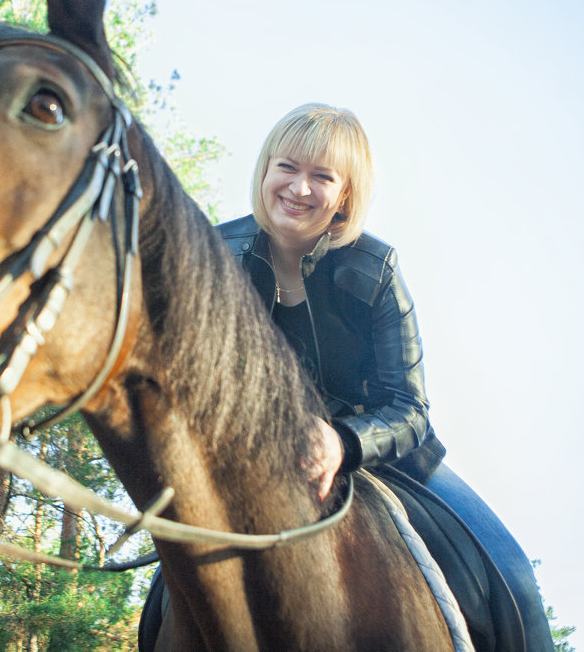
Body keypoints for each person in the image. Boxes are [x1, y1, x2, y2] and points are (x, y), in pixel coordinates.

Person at [138, 103, 552, 652]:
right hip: (249, 459)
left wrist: (342, 440)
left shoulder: (377, 269)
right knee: (164, 601)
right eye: (287, 166)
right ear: (265, 170)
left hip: (386, 457)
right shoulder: (212, 256)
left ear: (345, 195)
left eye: (322, 176)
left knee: (514, 578)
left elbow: (409, 408)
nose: (299, 188)